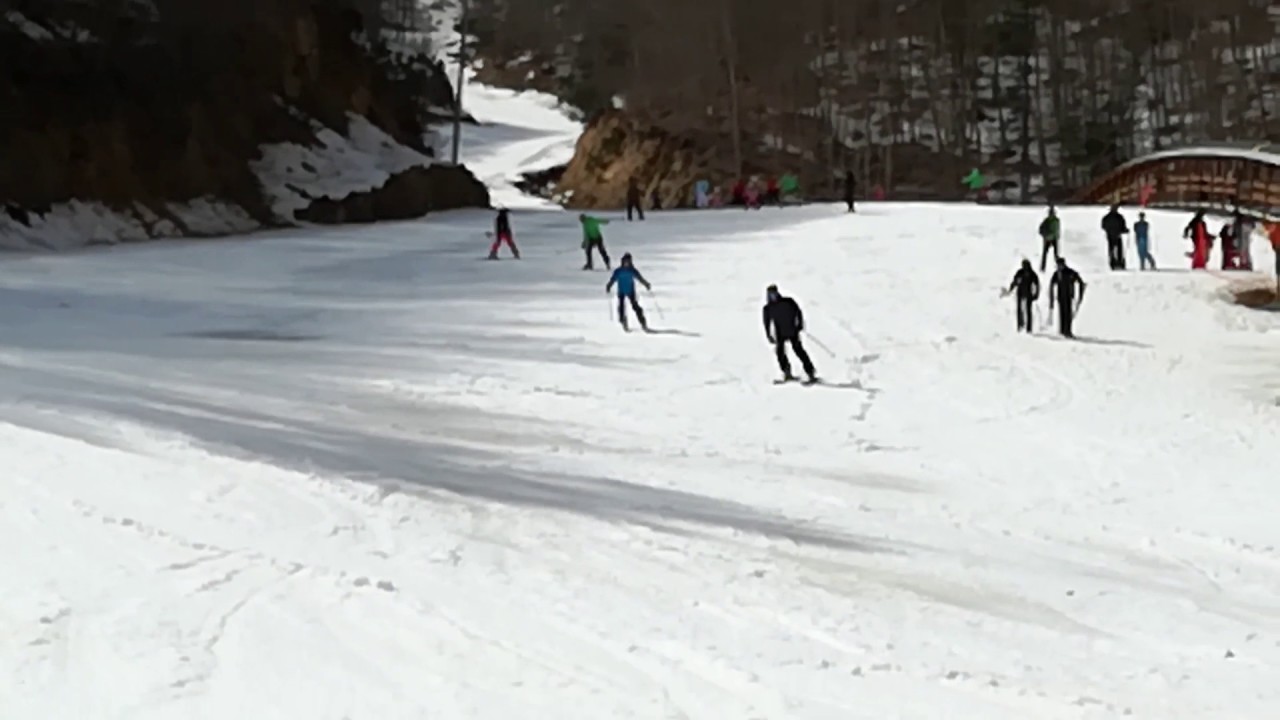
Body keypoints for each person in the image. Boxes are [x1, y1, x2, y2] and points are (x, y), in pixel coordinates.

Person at [762, 284, 817, 383]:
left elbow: (798, 312)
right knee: (780, 352)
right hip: (780, 332)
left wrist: (799, 324)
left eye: (773, 293)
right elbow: (766, 322)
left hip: (792, 329)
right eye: (770, 294)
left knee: (798, 350)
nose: (772, 296)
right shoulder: (768, 308)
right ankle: (787, 372)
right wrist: (768, 335)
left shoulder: (787, 302)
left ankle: (810, 372)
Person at [605, 253, 651, 332]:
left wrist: (646, 284)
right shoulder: (618, 271)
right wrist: (609, 285)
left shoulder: (632, 271)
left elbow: (640, 278)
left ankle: (643, 322)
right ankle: (623, 321)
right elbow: (613, 279)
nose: (626, 263)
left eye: (628, 262)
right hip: (621, 291)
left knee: (635, 307)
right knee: (621, 307)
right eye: (625, 261)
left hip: (630, 291)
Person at [1048, 257, 1086, 338]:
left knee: (1068, 313)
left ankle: (1068, 331)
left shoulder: (1070, 272)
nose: (1058, 267)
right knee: (1062, 313)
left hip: (1069, 295)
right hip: (1060, 296)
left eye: (1059, 265)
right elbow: (1052, 284)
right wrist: (1051, 298)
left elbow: (1079, 281)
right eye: (1058, 265)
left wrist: (1081, 290)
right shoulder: (1057, 273)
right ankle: (1062, 330)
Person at [1007, 259, 1040, 333]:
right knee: (1020, 310)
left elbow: (1037, 284)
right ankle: (1020, 325)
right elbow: (1015, 281)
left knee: (1028, 311)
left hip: (1028, 293)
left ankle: (1028, 328)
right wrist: (1011, 288)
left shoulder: (1032, 273)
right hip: (1021, 292)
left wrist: (1036, 294)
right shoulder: (1020, 272)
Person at [1101, 203, 1129, 270]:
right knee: (1118, 250)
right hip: (1115, 235)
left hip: (1112, 235)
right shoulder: (1118, 217)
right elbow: (1123, 226)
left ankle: (1114, 263)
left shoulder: (1107, 217)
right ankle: (1118, 263)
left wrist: (1124, 230)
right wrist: (1124, 230)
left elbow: (1103, 226)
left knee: (1113, 250)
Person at [1038, 205, 1060, 270]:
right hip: (1048, 239)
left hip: (1054, 238)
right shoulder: (1047, 221)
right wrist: (1045, 235)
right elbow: (1041, 229)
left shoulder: (1056, 220)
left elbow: (1057, 229)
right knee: (1046, 254)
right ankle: (1043, 267)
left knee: (1055, 255)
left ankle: (1058, 266)